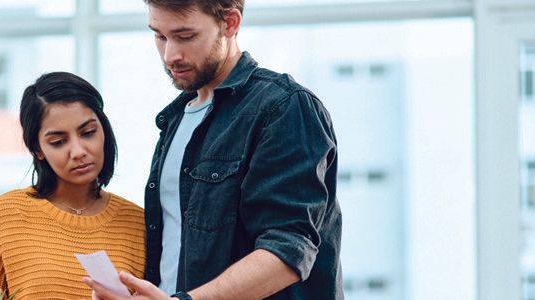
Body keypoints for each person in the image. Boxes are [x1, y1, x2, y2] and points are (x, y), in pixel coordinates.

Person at [84, 1, 342, 299]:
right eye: (160, 36)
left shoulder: (282, 107)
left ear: (230, 23)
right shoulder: (176, 119)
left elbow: (288, 250)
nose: (170, 55)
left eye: (185, 36)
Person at [0, 72, 146, 299]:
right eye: (58, 142)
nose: (78, 151)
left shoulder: (139, 224)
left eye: (88, 133)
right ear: (38, 149)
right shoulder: (2, 218)